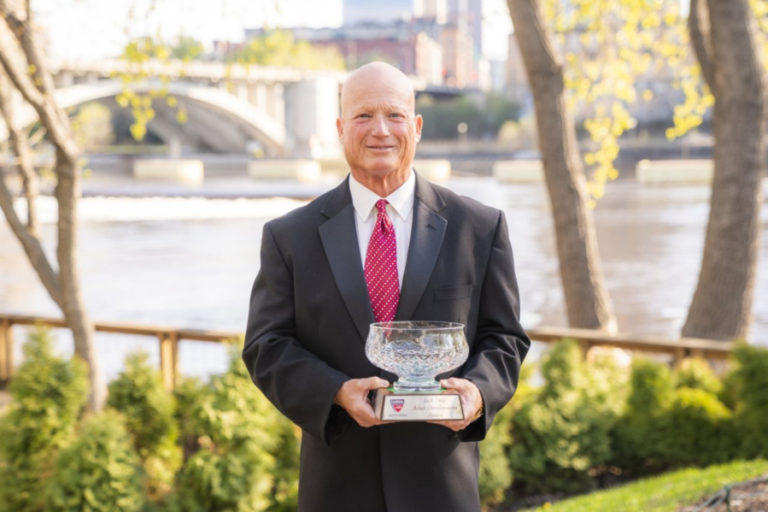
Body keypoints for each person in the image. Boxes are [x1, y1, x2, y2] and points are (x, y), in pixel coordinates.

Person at [243, 61, 530, 512]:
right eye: (363, 116)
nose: (380, 130)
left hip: (442, 487)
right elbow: (266, 345)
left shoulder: (479, 228)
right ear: (340, 128)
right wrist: (335, 392)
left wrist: (477, 392)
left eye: (394, 115)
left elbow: (505, 338)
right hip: (337, 488)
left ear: (415, 127)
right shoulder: (289, 237)